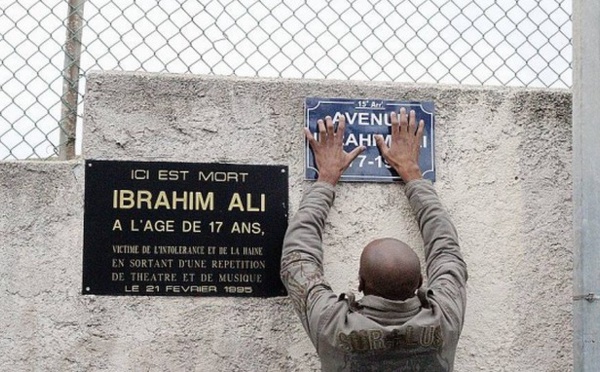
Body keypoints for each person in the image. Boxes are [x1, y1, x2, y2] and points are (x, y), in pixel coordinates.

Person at [280, 108, 468, 371]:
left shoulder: (332, 325)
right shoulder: (444, 319)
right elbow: (446, 250)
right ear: (420, 282)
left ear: (360, 283)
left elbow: (297, 260)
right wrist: (412, 173)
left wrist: (325, 179)